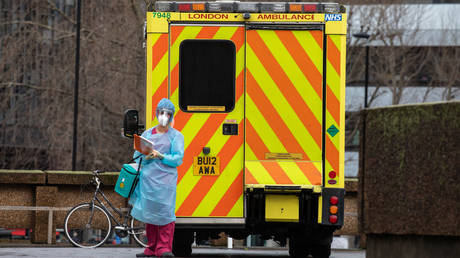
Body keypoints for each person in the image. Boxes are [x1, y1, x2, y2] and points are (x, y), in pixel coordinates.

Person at [129, 98, 184, 257]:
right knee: (150, 214)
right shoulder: (147, 134)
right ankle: (152, 247)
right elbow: (137, 155)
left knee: (166, 214)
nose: (164, 116)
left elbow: (177, 159)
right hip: (148, 181)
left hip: (166, 182)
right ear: (157, 113)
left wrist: (160, 156)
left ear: (172, 115)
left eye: (168, 113)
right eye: (162, 112)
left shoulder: (176, 136)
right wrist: (144, 158)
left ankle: (164, 248)